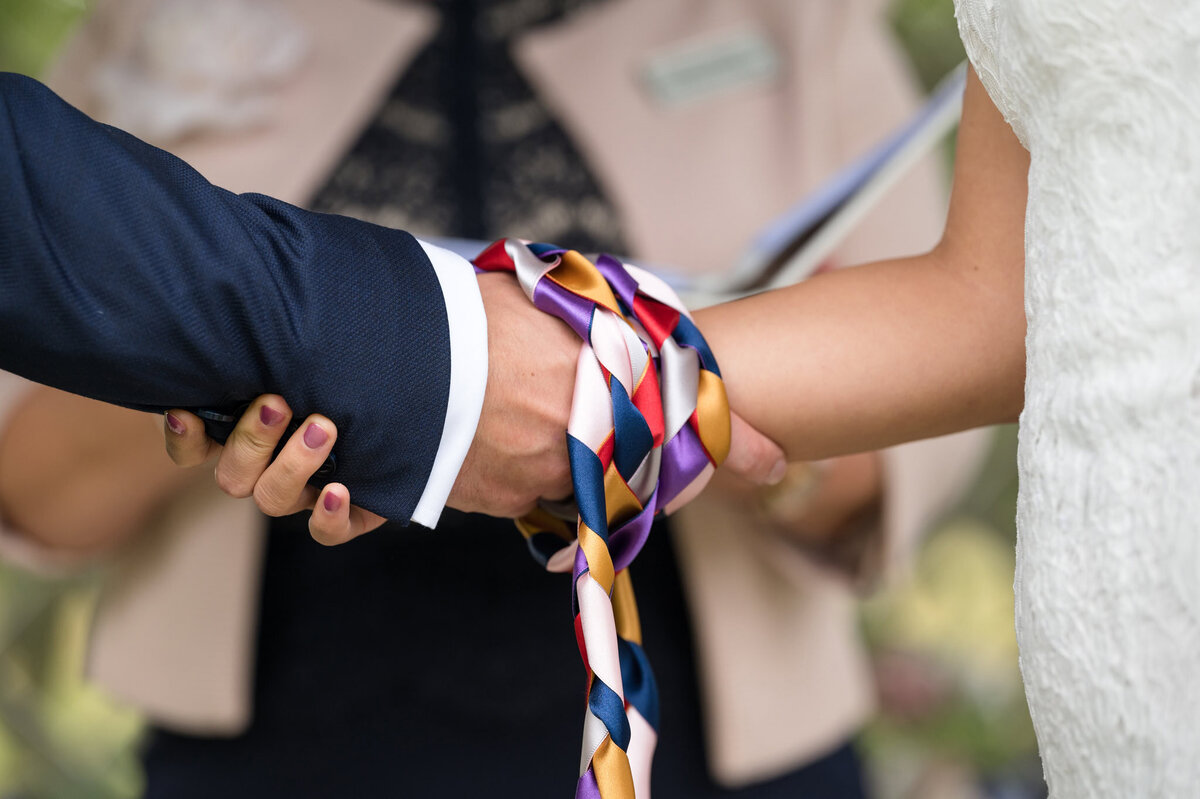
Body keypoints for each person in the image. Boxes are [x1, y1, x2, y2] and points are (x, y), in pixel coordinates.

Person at [1, 1, 991, 796]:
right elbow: (32, 469)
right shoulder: (151, 27)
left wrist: (708, 439)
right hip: (283, 732)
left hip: (703, 733)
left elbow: (938, 378)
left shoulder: (797, 23)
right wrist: (249, 368)